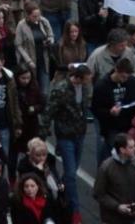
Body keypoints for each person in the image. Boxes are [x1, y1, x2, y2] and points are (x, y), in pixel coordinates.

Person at [46, 62, 92, 218]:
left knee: (71, 172)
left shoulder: (84, 88)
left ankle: (60, 191)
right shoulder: (61, 89)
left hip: (80, 133)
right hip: (65, 135)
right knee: (71, 174)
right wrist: (43, 133)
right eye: (86, 80)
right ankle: (74, 210)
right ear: (78, 78)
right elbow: (49, 111)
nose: (88, 83)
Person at [94, 132, 135, 224]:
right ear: (122, 150)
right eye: (131, 147)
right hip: (111, 219)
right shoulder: (106, 167)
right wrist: (117, 206)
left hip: (130, 217)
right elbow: (99, 194)